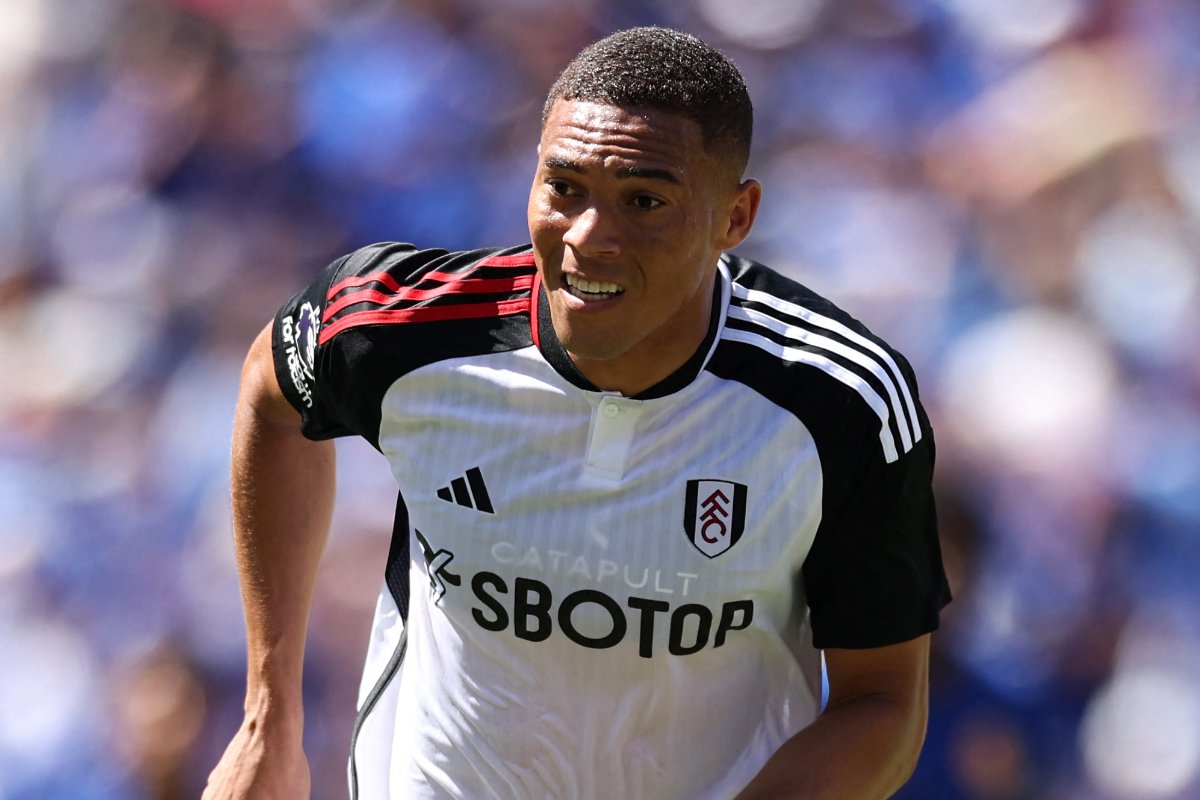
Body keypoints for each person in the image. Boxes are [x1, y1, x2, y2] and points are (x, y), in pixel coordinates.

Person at [203, 26, 950, 800]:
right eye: (564, 188)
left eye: (645, 201)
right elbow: (272, 390)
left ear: (734, 217)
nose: (589, 237)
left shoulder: (840, 401)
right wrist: (270, 713)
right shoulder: (402, 330)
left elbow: (882, 700)